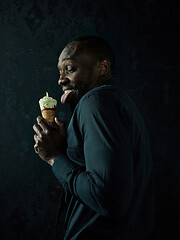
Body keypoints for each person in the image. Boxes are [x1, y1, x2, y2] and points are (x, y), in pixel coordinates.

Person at [33, 36, 154, 240]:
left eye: (70, 69)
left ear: (103, 67)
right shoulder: (112, 102)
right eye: (59, 72)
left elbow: (109, 200)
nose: (60, 80)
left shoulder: (95, 101)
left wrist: (55, 158)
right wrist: (64, 151)